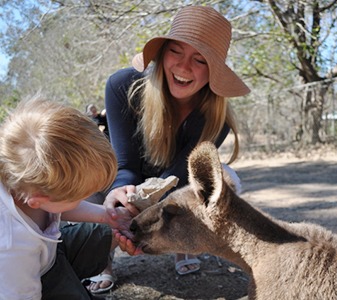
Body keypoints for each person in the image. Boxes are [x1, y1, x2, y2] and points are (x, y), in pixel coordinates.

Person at [84, 5, 250, 294]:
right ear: (161, 54)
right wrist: (120, 196)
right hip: (115, 177)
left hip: (169, 184)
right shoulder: (123, 85)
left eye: (200, 60)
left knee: (227, 178)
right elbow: (124, 165)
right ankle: (102, 259)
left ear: (213, 72)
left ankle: (183, 246)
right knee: (85, 172)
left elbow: (176, 177)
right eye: (176, 51)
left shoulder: (216, 120)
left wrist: (144, 211)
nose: (184, 67)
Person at [0, 97, 133, 299]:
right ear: (38, 201)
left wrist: (107, 216)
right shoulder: (13, 248)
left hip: (52, 250)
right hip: (36, 279)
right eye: (79, 195)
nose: (87, 197)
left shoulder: (30, 186)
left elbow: (59, 206)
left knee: (104, 233)